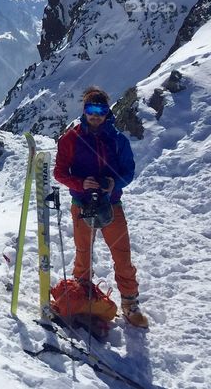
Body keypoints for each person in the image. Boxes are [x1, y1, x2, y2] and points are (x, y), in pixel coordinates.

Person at [53, 86, 149, 328]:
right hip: (81, 203)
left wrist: (113, 182)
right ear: (84, 111)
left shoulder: (117, 141)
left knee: (122, 255)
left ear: (108, 112)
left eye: (101, 110)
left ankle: (130, 303)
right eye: (90, 110)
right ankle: (81, 296)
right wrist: (80, 183)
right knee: (83, 252)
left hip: (111, 203)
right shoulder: (70, 139)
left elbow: (129, 172)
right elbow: (59, 173)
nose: (95, 115)